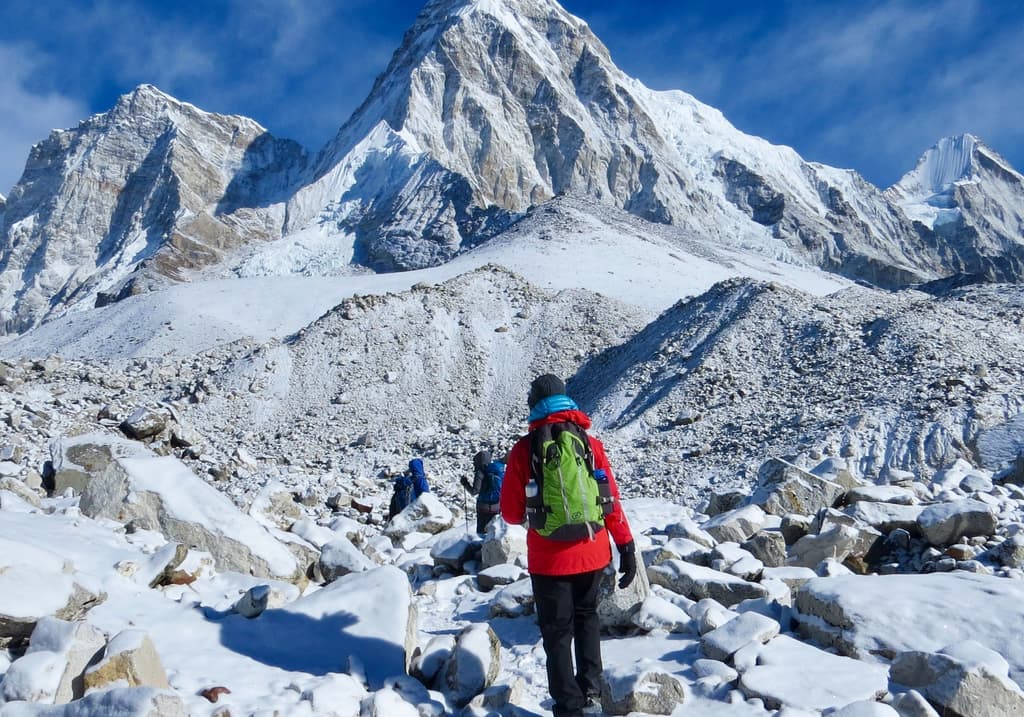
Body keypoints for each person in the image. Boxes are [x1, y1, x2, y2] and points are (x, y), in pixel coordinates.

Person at [500, 374, 636, 717]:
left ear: (534, 405)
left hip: (549, 560)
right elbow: (610, 500)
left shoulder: (524, 450)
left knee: (557, 634)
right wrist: (626, 546)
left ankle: (569, 707)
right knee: (587, 618)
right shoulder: (590, 443)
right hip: (593, 550)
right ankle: (592, 692)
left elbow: (511, 514)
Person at [462, 449, 504, 535]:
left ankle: (480, 541)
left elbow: (474, 491)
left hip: (483, 508)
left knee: (481, 532)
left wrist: (465, 483)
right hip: (497, 506)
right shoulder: (497, 470)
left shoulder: (480, 472)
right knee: (492, 531)